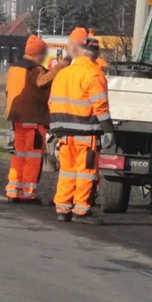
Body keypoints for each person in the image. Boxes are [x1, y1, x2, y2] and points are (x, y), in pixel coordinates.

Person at [48, 27, 114, 221]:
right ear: (96, 54)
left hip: (64, 133)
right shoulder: (94, 75)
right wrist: (109, 130)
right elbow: (100, 106)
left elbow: (51, 102)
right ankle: (81, 210)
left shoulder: (63, 74)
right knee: (85, 172)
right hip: (86, 134)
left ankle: (63, 208)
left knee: (67, 171)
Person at [5, 35, 66, 202]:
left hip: (17, 119)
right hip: (33, 119)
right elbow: (42, 82)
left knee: (19, 155)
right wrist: (58, 69)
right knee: (32, 157)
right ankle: (27, 193)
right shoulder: (35, 69)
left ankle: (13, 190)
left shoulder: (14, 68)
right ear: (38, 54)